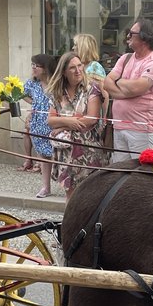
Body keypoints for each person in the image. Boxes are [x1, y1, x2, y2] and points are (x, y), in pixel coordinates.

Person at [102, 19, 153, 162]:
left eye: (131, 33)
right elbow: (106, 83)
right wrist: (126, 92)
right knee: (120, 172)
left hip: (140, 129)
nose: (127, 37)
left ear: (144, 37)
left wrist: (118, 81)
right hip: (119, 126)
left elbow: (137, 88)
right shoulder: (125, 58)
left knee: (139, 173)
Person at [47, 52, 105, 198]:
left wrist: (63, 126)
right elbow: (50, 120)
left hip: (88, 150)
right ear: (64, 72)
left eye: (80, 66)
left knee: (89, 195)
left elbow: (91, 119)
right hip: (66, 150)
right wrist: (69, 121)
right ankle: (70, 221)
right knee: (71, 195)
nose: (78, 70)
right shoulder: (57, 92)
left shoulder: (92, 88)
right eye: (72, 68)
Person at [22, 54, 55, 197]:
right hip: (37, 122)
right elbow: (22, 94)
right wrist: (34, 105)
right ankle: (45, 187)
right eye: (32, 65)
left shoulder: (56, 83)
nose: (33, 68)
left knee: (57, 153)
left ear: (46, 68)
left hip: (53, 122)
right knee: (43, 156)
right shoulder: (32, 84)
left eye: (37, 65)